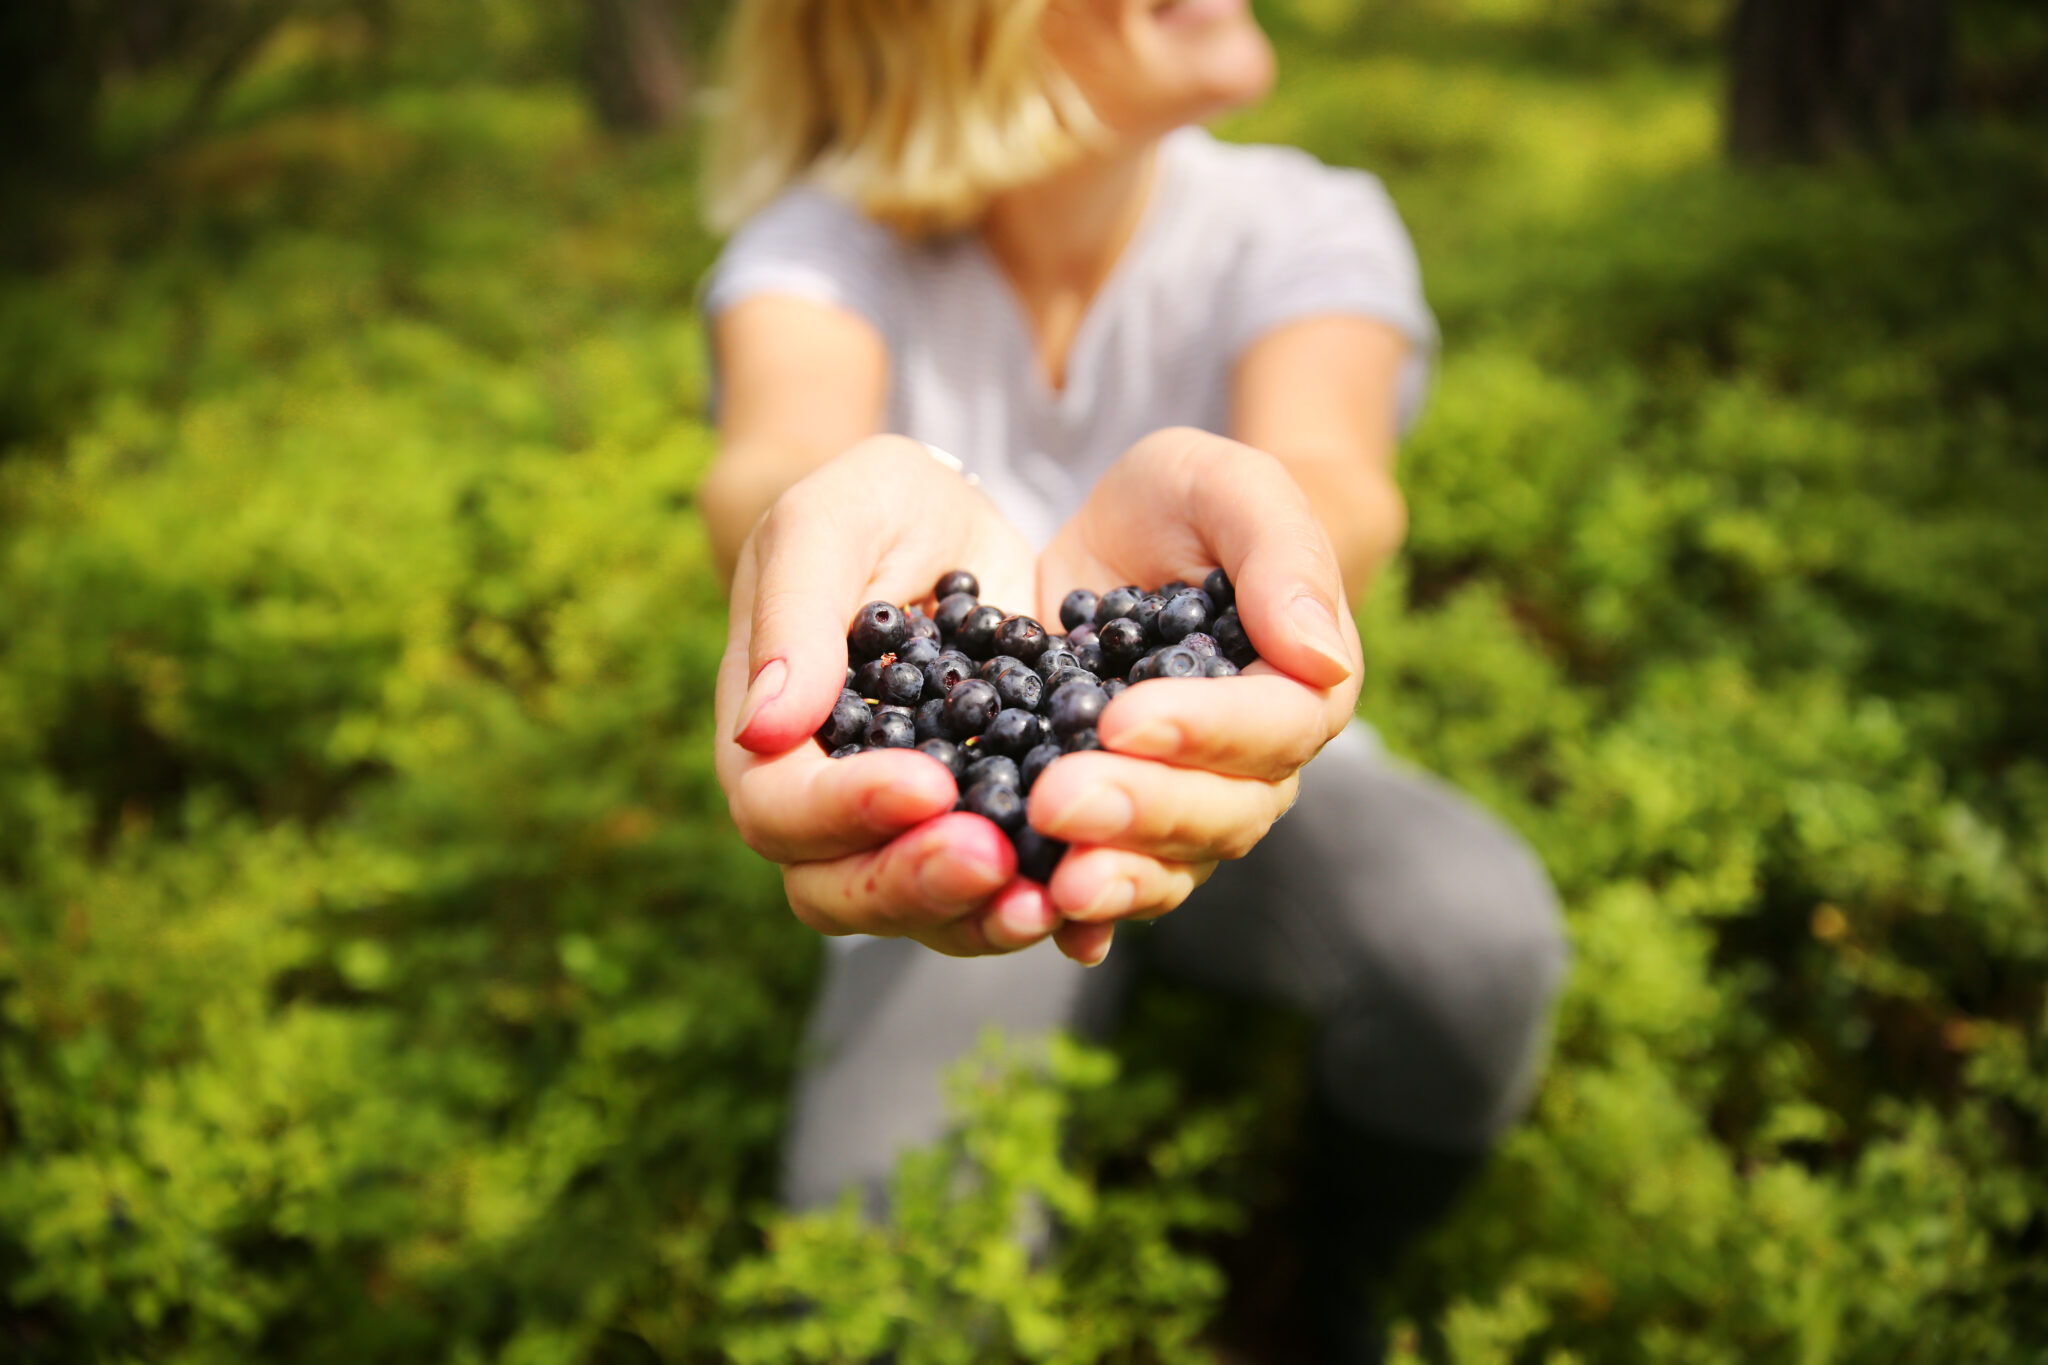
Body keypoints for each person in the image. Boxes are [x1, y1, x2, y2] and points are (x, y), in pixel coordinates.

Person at [697, 1, 1569, 1357]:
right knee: (893, 1288)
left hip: (1231, 748)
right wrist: (807, 511)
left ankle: (1335, 1266)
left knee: (1478, 946)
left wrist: (1266, 537)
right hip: (957, 824)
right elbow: (776, 450)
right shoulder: (820, 249)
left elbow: (1337, 475)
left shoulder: (1301, 221)